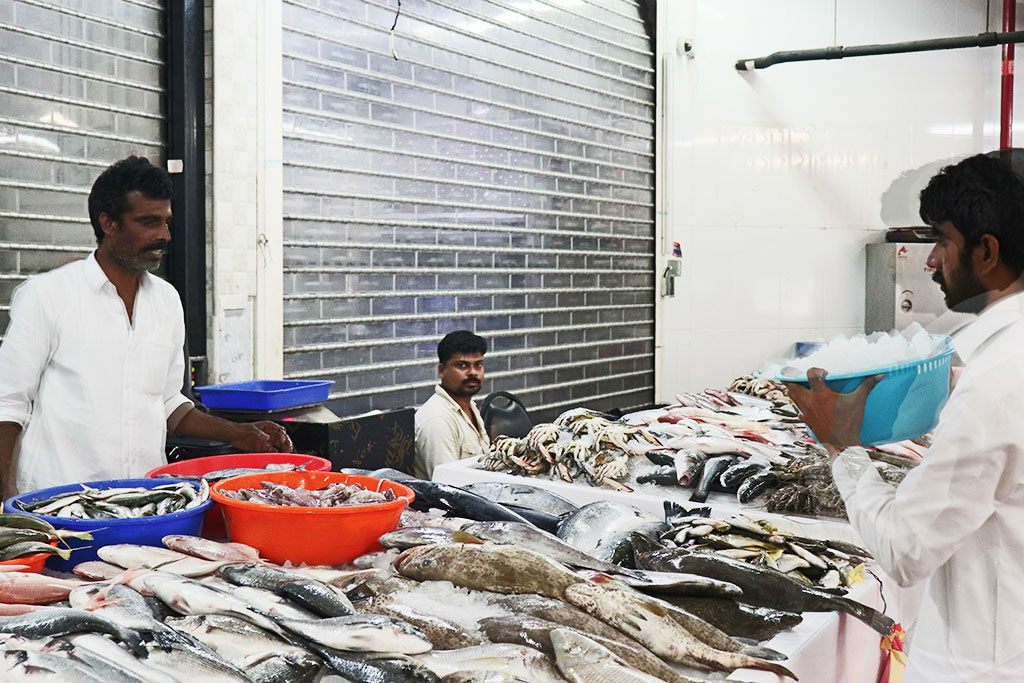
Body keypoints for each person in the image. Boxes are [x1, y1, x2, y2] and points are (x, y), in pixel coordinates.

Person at [784, 153, 1024, 682]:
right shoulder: (1001, 365)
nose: (932, 261)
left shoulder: (998, 382)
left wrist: (840, 447)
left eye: (942, 241)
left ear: (987, 252)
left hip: (982, 663)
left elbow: (906, 549)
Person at [0, 156, 292, 497]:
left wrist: (238, 432)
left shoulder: (166, 301)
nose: (163, 235)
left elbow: (169, 402)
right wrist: (7, 498)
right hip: (59, 501)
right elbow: (8, 404)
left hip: (144, 498)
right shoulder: (46, 296)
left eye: (166, 222)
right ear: (108, 223)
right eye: (148, 222)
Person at [414, 330, 490, 480]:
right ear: (442, 370)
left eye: (478, 365)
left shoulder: (469, 406)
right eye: (462, 366)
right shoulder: (437, 420)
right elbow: (449, 486)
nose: (473, 373)